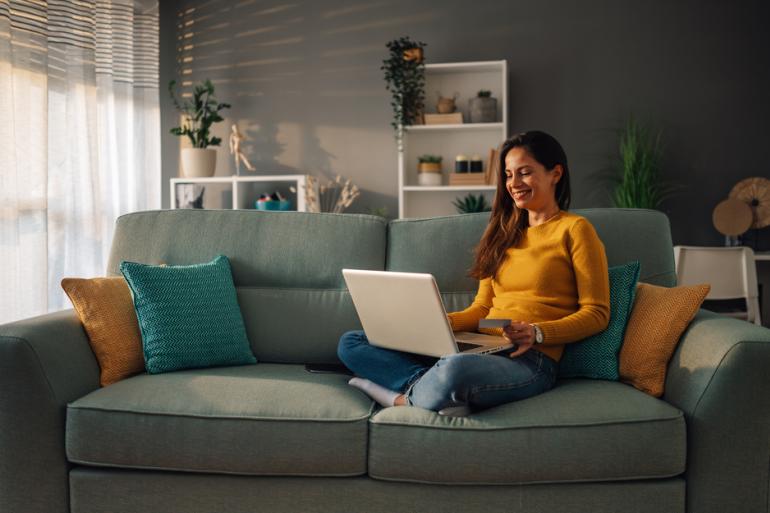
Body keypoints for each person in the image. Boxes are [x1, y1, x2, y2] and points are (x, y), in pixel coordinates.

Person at [337, 131, 610, 416]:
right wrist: (437, 323)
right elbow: (482, 309)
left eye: (524, 173)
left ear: (555, 173)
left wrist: (537, 332)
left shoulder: (575, 230)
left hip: (531, 360)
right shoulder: (501, 234)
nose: (513, 184)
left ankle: (401, 398)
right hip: (484, 346)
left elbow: (597, 313)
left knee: (455, 368)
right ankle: (429, 388)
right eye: (507, 175)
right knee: (353, 341)